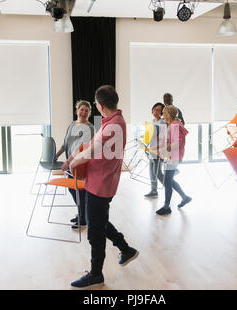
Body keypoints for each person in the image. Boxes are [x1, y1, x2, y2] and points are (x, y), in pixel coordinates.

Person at [66, 85, 138, 289]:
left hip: (101, 184)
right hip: (97, 181)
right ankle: (126, 249)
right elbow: (95, 147)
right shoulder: (111, 122)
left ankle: (96, 274)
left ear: (99, 105)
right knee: (97, 221)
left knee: (94, 231)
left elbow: (92, 152)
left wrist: (73, 162)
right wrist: (78, 156)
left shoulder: (114, 124)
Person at [57, 100, 95, 230]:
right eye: (81, 109)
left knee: (79, 190)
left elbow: (80, 147)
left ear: (89, 113)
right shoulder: (72, 124)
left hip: (80, 163)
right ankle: (81, 214)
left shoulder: (89, 127)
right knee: (72, 189)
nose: (83, 112)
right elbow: (66, 143)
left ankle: (83, 219)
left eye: (86, 110)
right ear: (77, 110)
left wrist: (68, 162)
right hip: (70, 162)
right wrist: (57, 155)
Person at [155, 105, 192, 215]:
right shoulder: (172, 124)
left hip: (173, 157)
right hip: (172, 156)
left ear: (170, 114)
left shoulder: (175, 125)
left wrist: (162, 149)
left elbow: (176, 144)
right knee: (169, 180)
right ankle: (185, 197)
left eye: (164, 113)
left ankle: (166, 207)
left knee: (167, 181)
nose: (162, 115)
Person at [144, 102, 166, 198]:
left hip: (158, 151)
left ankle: (169, 186)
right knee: (151, 172)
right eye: (154, 109)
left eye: (158, 110)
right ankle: (153, 190)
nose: (155, 112)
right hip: (151, 150)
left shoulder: (162, 122)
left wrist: (152, 137)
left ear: (161, 112)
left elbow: (162, 137)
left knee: (157, 173)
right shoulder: (152, 121)